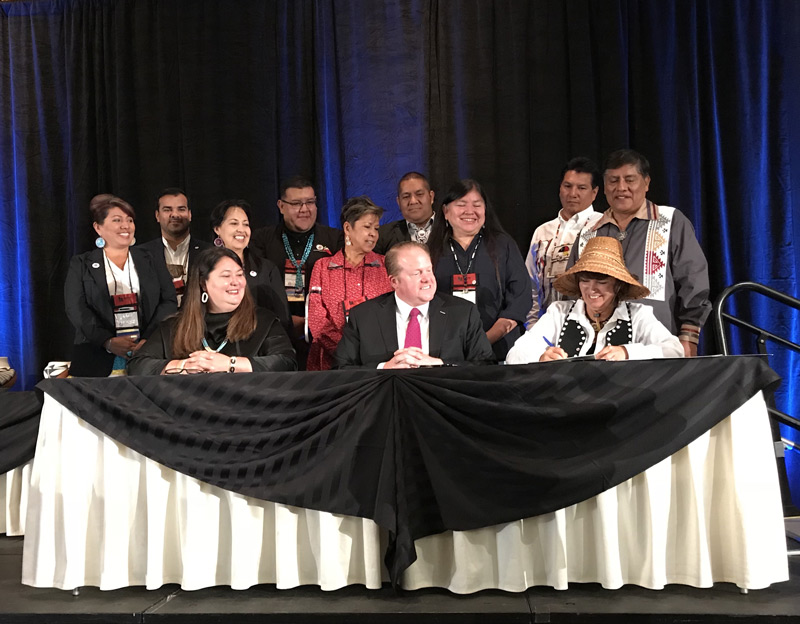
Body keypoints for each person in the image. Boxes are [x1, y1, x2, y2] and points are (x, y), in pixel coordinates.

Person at [568, 149, 711, 356]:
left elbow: (693, 281)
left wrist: (688, 337)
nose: (621, 188)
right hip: (600, 352)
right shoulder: (589, 232)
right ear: (604, 188)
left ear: (646, 183)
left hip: (657, 348)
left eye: (630, 180)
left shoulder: (670, 221)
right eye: (613, 180)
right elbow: (572, 291)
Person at [506, 237, 684, 363]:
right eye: (585, 280)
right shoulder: (559, 312)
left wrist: (627, 351)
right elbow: (515, 354)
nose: (592, 289)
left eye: (602, 282)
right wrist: (541, 356)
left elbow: (675, 351)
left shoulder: (637, 315)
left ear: (618, 285)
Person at [128, 248, 296, 375]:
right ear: (203, 284)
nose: (236, 282)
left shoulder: (263, 320)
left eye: (239, 274)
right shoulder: (175, 326)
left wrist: (230, 364)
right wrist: (183, 365)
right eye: (226, 276)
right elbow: (138, 366)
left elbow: (286, 362)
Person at [64, 195, 177, 376]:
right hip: (96, 355)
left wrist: (149, 339)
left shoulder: (151, 259)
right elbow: (76, 308)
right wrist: (107, 341)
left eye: (129, 220)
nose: (126, 226)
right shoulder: (81, 263)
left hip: (149, 352)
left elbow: (169, 300)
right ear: (98, 227)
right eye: (117, 220)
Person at [334, 242, 494, 368]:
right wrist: (384, 368)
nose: (427, 279)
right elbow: (341, 369)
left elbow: (486, 365)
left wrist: (440, 364)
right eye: (417, 273)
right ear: (394, 281)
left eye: (429, 270)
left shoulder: (463, 313)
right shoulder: (363, 317)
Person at [428, 179, 532, 361]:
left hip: (500, 351)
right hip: (446, 354)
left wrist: (486, 339)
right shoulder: (430, 251)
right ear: (445, 211)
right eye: (461, 205)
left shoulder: (504, 245)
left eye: (477, 205)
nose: (470, 211)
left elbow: (520, 299)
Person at [249, 176, 343, 366]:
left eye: (310, 202)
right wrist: (287, 321)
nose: (304, 209)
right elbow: (255, 290)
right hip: (273, 332)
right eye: (296, 203)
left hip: (322, 334)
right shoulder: (261, 240)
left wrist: (313, 322)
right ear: (281, 206)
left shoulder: (334, 239)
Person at [306, 196, 393, 371]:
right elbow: (317, 320)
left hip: (377, 362)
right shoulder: (323, 267)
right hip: (330, 363)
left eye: (376, 228)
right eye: (367, 227)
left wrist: (368, 353)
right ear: (347, 228)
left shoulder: (386, 265)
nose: (373, 234)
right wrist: (346, 352)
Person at [525, 157, 602, 326]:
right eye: (567, 186)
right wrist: (532, 326)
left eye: (581, 188)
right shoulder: (543, 231)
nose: (572, 193)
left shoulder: (602, 227)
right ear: (560, 188)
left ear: (594, 192)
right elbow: (531, 285)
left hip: (591, 324)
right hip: (546, 324)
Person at [210, 199, 291, 331]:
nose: (241, 230)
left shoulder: (266, 269)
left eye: (245, 224)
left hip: (260, 342)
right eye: (234, 223)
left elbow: (283, 319)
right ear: (217, 228)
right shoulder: (204, 266)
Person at [137, 188, 211, 305]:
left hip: (200, 320)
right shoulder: (140, 254)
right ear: (157, 216)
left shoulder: (209, 252)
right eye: (167, 210)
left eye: (181, 209)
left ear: (190, 214)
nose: (175, 215)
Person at [374, 171, 436, 254]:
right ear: (398, 202)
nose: (413, 201)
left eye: (419, 194)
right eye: (406, 196)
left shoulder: (451, 228)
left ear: (431, 197)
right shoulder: (382, 235)